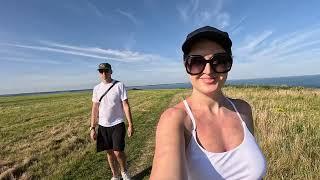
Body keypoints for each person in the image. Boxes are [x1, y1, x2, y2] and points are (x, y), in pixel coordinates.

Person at [150, 26, 267, 179]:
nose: (208, 70)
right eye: (197, 62)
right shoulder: (175, 120)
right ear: (186, 66)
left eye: (219, 61)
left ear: (228, 65)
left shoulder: (243, 110)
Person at [90, 62, 134, 180]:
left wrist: (130, 124)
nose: (104, 73)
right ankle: (115, 175)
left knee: (118, 152)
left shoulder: (119, 85)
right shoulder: (96, 88)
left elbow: (125, 105)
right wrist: (92, 127)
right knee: (109, 153)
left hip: (117, 123)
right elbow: (95, 108)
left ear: (111, 71)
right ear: (99, 73)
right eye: (101, 71)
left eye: (106, 71)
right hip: (103, 126)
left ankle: (124, 171)